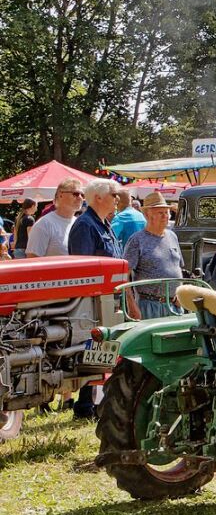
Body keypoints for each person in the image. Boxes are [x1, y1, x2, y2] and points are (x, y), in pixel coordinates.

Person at [67, 179, 121, 420]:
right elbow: (82, 269)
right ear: (98, 197)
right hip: (93, 301)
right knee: (95, 349)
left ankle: (93, 403)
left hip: (108, 298)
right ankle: (85, 406)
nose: (117, 198)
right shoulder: (85, 225)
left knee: (104, 350)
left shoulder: (102, 224)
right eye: (114, 194)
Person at [123, 192, 184, 319]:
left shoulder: (172, 236)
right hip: (149, 306)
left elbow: (179, 268)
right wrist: (131, 305)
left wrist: (180, 293)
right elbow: (124, 276)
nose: (165, 216)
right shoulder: (137, 240)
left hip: (174, 305)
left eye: (166, 212)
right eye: (160, 213)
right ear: (147, 215)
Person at [25, 178, 84, 257]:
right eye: (76, 194)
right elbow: (32, 260)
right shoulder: (43, 224)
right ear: (60, 195)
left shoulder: (79, 224)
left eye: (82, 195)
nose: (80, 198)